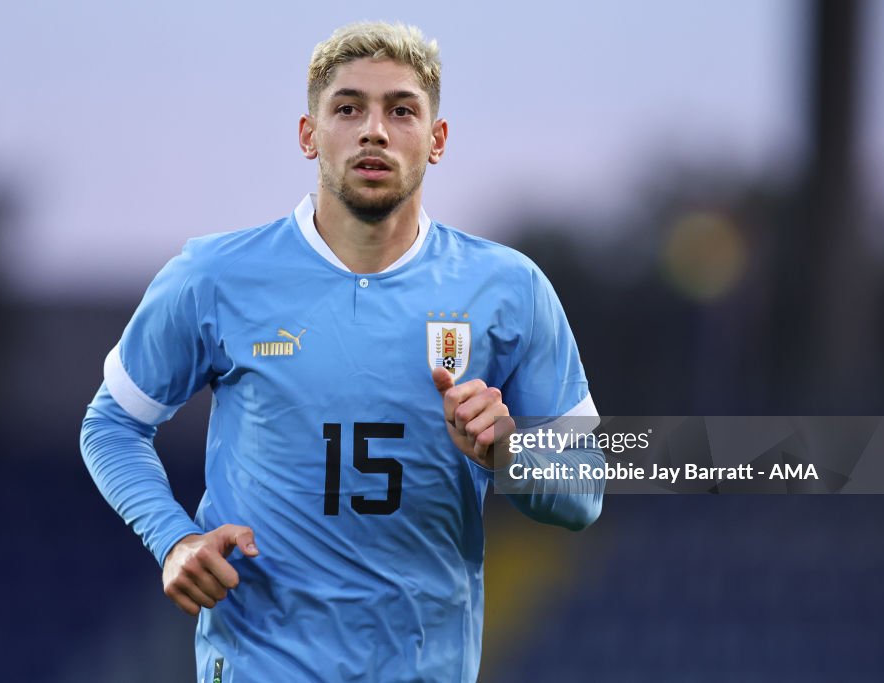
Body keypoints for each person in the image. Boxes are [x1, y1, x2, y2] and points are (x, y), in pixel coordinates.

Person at [80, 21, 605, 683]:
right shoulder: (213, 276)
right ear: (309, 134)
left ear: (437, 140)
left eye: (402, 110)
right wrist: (173, 538)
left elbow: (586, 488)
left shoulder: (510, 290)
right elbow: (112, 424)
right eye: (349, 107)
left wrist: (508, 449)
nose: (375, 130)